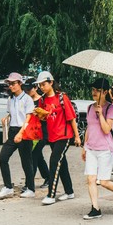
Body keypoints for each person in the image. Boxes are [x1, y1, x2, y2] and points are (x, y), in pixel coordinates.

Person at [81, 78, 113, 219]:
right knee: (91, 179)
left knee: (104, 182)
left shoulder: (110, 109)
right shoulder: (89, 107)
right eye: (93, 90)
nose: (94, 93)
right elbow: (89, 128)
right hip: (91, 148)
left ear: (105, 92)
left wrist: (101, 114)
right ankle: (95, 208)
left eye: (98, 90)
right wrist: (84, 146)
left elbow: (107, 129)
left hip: (105, 149)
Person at [35, 71, 81, 205]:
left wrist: (77, 136)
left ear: (51, 83)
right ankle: (69, 191)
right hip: (52, 136)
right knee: (62, 164)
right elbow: (43, 118)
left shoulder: (62, 97)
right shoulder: (42, 100)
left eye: (44, 84)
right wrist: (40, 114)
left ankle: (51, 194)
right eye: (40, 85)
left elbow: (72, 118)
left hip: (64, 135)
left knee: (54, 161)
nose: (42, 87)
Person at [0, 72, 37, 200]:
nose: (11, 86)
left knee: (26, 161)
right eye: (10, 84)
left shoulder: (27, 99)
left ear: (20, 84)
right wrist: (6, 117)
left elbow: (28, 117)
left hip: (24, 131)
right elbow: (11, 113)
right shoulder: (10, 99)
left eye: (13, 83)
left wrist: (21, 133)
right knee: (3, 158)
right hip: (13, 131)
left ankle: (31, 188)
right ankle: (8, 187)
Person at [22, 78, 49, 189]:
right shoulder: (26, 100)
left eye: (30, 89)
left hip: (42, 132)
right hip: (30, 133)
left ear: (36, 88)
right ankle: (48, 177)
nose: (28, 91)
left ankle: (29, 184)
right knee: (38, 156)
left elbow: (47, 116)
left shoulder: (42, 100)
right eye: (26, 89)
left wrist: (39, 114)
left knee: (33, 155)